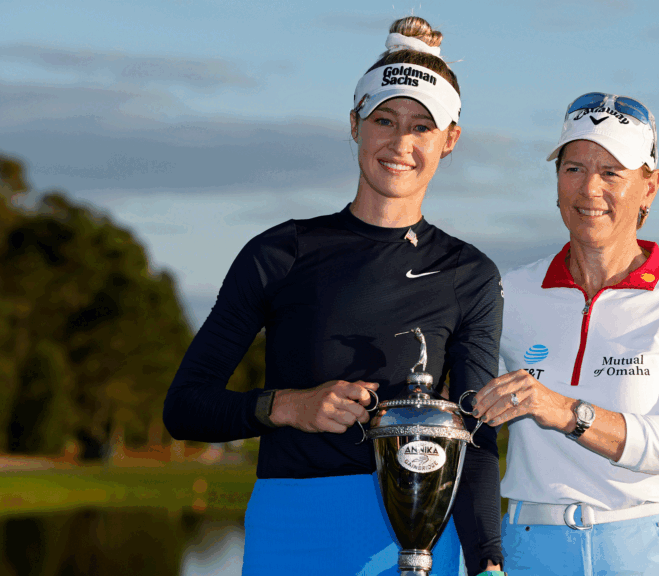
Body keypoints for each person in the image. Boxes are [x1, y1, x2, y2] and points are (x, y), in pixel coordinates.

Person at [163, 16, 506, 576]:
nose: (400, 143)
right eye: (384, 120)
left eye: (422, 127)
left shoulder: (468, 273)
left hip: (416, 540)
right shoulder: (280, 252)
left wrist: (488, 560)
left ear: (450, 141)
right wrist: (288, 406)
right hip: (292, 529)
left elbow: (475, 433)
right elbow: (184, 407)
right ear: (354, 124)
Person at [472, 92, 659, 575]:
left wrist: (566, 411)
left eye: (612, 172)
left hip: (652, 547)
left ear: (649, 188)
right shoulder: (511, 290)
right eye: (573, 168)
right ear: (556, 182)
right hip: (529, 546)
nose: (589, 188)